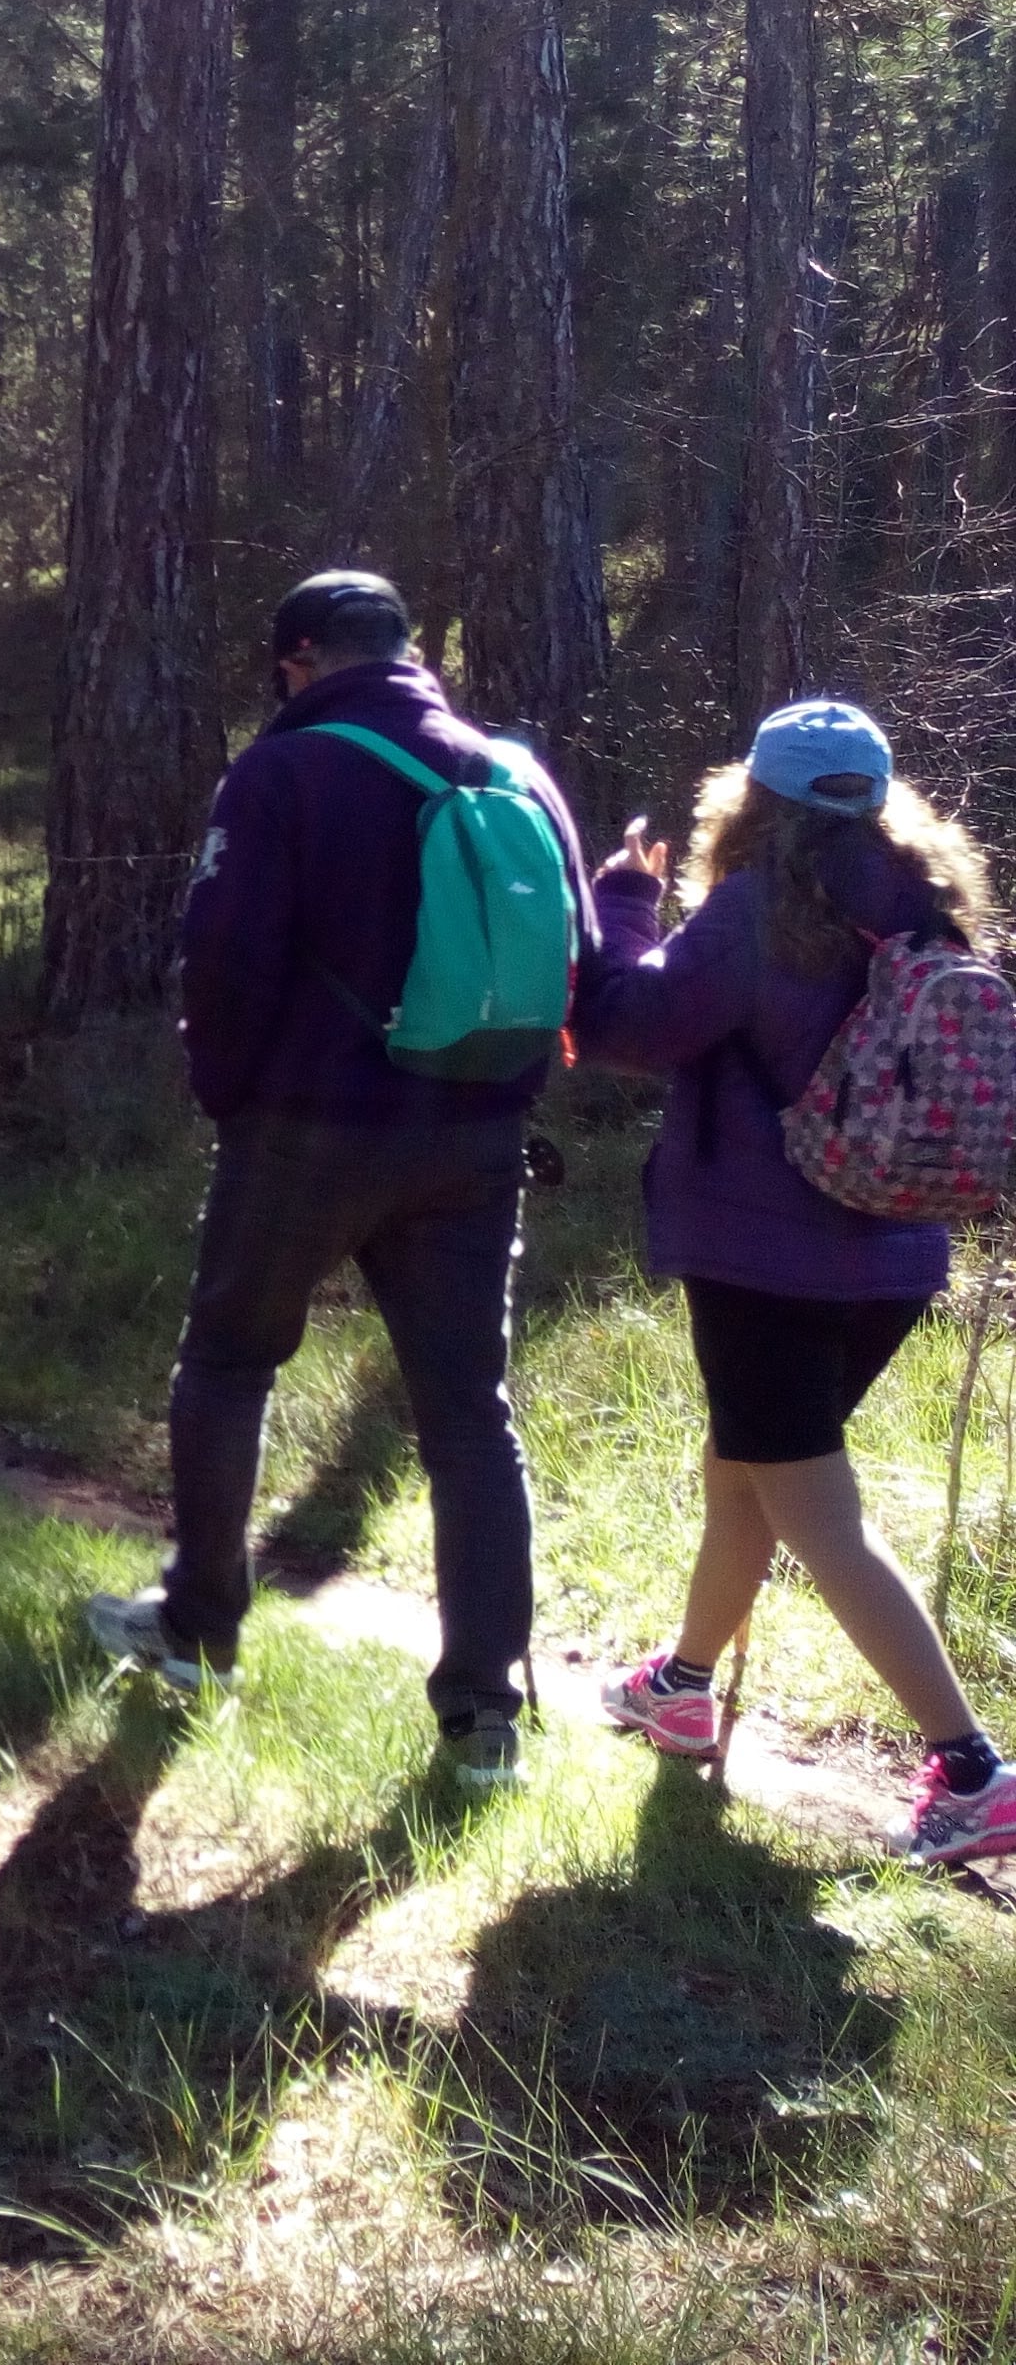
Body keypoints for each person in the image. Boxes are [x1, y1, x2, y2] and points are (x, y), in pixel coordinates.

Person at [81, 569, 593, 1790]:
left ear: (295, 661)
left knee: (227, 1360)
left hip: (308, 1127)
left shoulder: (280, 771)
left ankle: (198, 1629)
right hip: (474, 1142)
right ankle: (482, 1719)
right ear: (409, 650)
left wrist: (226, 1093)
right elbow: (571, 948)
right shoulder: (511, 771)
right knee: (469, 1418)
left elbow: (222, 955)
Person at [575, 701, 1016, 1866]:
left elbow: (627, 1024)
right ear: (877, 798)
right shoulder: (925, 907)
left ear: (753, 797)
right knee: (746, 1476)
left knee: (814, 1515)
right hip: (897, 1255)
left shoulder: (753, 908)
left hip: (761, 1254)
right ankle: (677, 1684)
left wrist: (620, 904)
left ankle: (971, 1772)